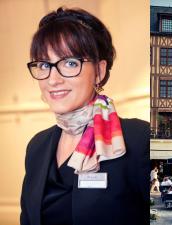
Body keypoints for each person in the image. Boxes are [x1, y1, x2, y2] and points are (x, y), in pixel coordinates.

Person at [20, 7, 149, 225]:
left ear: (99, 71)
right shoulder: (37, 146)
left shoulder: (139, 139)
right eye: (44, 65)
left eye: (70, 63)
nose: (53, 80)